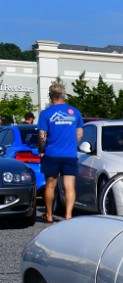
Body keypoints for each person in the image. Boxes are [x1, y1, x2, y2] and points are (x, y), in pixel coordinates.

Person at [37, 82, 84, 223]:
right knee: (69, 186)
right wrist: (72, 144)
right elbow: (80, 134)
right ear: (64, 95)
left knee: (50, 185)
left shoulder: (45, 114)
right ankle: (68, 215)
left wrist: (41, 150)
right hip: (69, 155)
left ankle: (49, 215)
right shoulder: (75, 112)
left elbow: (41, 136)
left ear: (51, 96)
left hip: (51, 154)